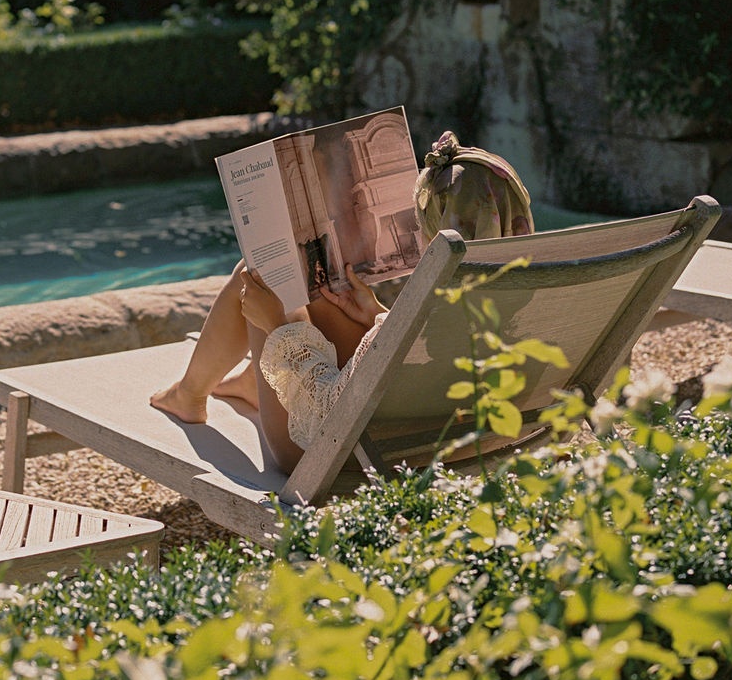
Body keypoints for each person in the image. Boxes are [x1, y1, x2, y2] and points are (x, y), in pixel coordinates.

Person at [150, 130, 533, 473]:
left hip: (336, 457)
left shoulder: (432, 312)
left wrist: (277, 327)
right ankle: (253, 381)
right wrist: (378, 317)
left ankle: (190, 394)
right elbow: (420, 359)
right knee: (319, 291)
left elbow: (325, 413)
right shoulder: (528, 300)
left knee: (257, 276)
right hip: (444, 440)